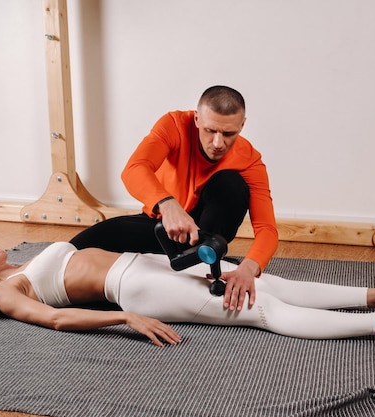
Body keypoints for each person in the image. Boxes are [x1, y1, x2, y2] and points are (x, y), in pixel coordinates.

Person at [0, 240, 375, 347]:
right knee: (260, 310)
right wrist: (124, 317)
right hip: (134, 286)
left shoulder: (25, 254)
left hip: (150, 264)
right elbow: (55, 320)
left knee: (263, 282)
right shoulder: (6, 291)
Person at [69, 86, 278, 313]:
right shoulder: (175, 125)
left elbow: (267, 228)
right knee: (72, 250)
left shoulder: (250, 160)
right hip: (160, 226)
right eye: (210, 130)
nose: (218, 143)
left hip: (203, 238)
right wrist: (167, 204)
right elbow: (134, 169)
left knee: (231, 184)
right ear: (197, 119)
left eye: (228, 134)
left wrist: (249, 268)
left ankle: (199, 264)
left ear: (242, 125)